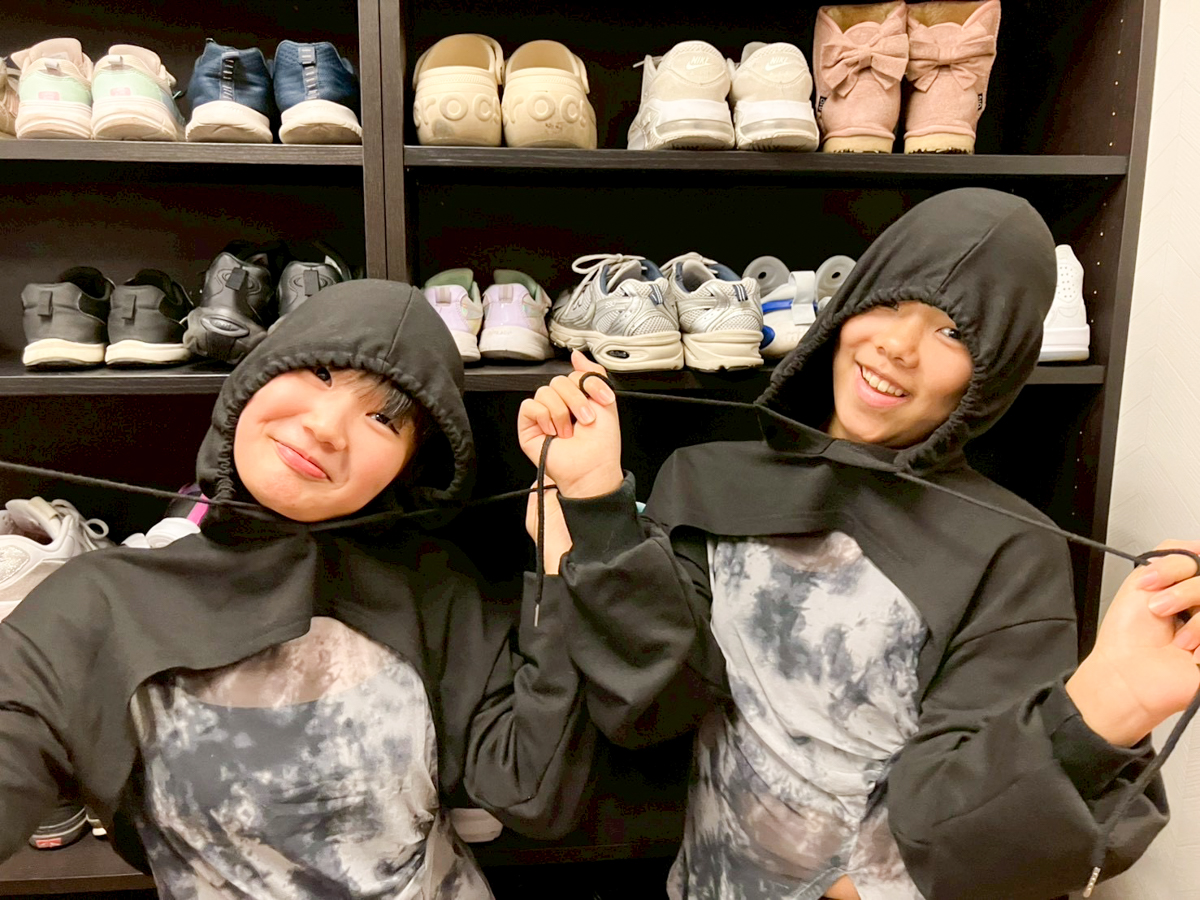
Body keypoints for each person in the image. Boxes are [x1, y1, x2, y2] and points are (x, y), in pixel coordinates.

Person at [517, 188, 1200, 900]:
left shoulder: (1011, 549)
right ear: (848, 304)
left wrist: (1107, 704)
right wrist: (597, 501)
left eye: (952, 333)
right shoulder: (708, 478)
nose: (898, 347)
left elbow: (963, 837)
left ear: (994, 370)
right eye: (890, 303)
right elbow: (656, 704)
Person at [0, 280, 594, 898]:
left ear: (409, 465)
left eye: (383, 418)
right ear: (257, 373)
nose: (327, 427)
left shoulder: (437, 589)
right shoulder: (99, 601)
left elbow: (532, 791)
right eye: (319, 372)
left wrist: (562, 549)